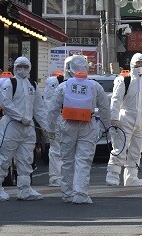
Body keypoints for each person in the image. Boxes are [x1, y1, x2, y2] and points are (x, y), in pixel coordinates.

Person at [46, 55, 110, 204]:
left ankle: (67, 193)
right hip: (88, 124)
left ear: (70, 68)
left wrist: (49, 128)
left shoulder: (64, 86)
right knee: (83, 160)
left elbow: (52, 109)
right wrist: (106, 126)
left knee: (67, 160)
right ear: (86, 68)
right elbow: (105, 108)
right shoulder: (95, 86)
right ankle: (80, 194)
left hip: (67, 124)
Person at [0, 56, 49, 201]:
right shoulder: (9, 84)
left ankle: (25, 189)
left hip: (27, 129)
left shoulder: (32, 85)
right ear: (14, 67)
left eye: (25, 67)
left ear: (30, 68)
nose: (22, 69)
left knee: (26, 159)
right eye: (19, 66)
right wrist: (20, 117)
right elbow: (6, 104)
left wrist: (46, 127)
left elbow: (39, 109)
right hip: (11, 126)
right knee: (5, 158)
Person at [106, 53, 142, 187]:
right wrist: (114, 117)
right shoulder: (124, 80)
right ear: (132, 64)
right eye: (138, 63)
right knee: (119, 149)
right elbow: (116, 99)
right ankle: (112, 177)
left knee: (136, 151)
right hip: (125, 119)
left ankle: (131, 178)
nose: (140, 65)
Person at [43, 70, 65, 187]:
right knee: (57, 150)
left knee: (61, 150)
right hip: (61, 120)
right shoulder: (56, 82)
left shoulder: (64, 83)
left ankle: (59, 177)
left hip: (64, 120)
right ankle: (56, 178)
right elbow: (49, 105)